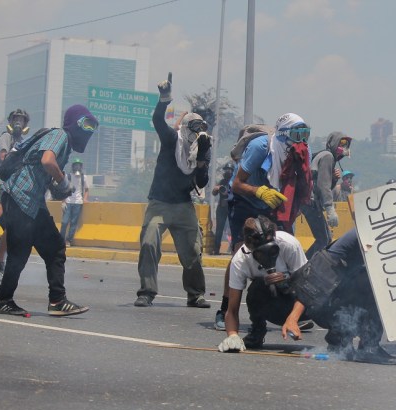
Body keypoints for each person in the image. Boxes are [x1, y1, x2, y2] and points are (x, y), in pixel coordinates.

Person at [0, 104, 97, 316]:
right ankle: (53, 300)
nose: (88, 131)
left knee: (33, 251)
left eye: (92, 127)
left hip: (29, 202)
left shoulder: (64, 147)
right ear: (74, 123)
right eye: (86, 124)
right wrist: (63, 181)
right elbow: (47, 160)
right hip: (21, 199)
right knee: (44, 249)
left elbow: (42, 170)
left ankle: (9, 300)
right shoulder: (61, 135)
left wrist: (59, 188)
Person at [214, 113, 313, 330]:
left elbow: (300, 186)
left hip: (275, 203)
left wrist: (292, 210)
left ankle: (291, 312)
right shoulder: (261, 147)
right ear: (284, 134)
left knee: (283, 252)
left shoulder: (305, 152)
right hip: (245, 199)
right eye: (297, 134)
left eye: (305, 135)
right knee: (242, 251)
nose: (301, 141)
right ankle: (224, 309)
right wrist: (259, 192)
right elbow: (237, 184)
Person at [133, 73, 212, 309]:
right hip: (159, 203)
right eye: (194, 127)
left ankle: (195, 294)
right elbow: (158, 121)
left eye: (201, 128)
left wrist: (200, 161)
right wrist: (164, 99)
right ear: (186, 127)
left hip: (183, 205)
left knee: (193, 251)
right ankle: (147, 291)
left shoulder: (203, 147)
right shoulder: (171, 140)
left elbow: (202, 182)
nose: (196, 132)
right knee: (149, 243)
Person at [281, 227, 396, 365]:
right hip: (323, 305)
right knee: (375, 290)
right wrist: (293, 319)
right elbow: (311, 287)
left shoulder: (376, 236)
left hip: (337, 296)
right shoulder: (332, 258)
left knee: (372, 285)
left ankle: (349, 344)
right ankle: (358, 346)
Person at [217, 215, 310, 350]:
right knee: (257, 288)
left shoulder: (288, 244)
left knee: (328, 289)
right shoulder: (240, 261)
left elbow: (308, 287)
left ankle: (339, 334)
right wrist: (232, 335)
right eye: (261, 253)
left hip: (301, 305)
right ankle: (257, 330)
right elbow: (232, 310)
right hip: (272, 309)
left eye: (272, 250)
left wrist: (293, 317)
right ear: (250, 248)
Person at [0, 109, 31, 275]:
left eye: (21, 119)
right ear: (11, 121)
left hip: (13, 187)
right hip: (1, 182)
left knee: (13, 225)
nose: (18, 122)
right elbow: (3, 157)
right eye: (16, 119)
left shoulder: (22, 141)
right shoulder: (6, 137)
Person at [300, 131, 351, 259]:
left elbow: (323, 183)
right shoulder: (328, 156)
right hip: (310, 202)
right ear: (333, 143)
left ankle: (304, 265)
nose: (344, 147)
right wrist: (330, 209)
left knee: (326, 238)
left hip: (309, 202)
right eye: (342, 143)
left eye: (346, 144)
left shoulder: (327, 157)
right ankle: (304, 267)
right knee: (324, 239)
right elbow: (323, 186)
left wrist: (333, 179)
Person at [59, 158, 89, 247]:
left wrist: (85, 199)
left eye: (78, 165)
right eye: (75, 165)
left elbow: (86, 189)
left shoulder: (84, 177)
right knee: (64, 222)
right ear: (73, 166)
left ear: (81, 167)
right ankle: (60, 240)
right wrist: (63, 201)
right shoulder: (68, 176)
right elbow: (63, 189)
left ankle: (69, 240)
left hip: (78, 202)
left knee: (73, 222)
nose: (77, 167)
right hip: (68, 201)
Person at [210, 162, 234, 255]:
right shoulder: (221, 182)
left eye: (230, 170)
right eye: (226, 170)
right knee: (219, 229)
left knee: (232, 229)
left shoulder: (235, 181)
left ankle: (233, 248)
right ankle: (216, 249)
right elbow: (214, 193)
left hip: (232, 208)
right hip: (222, 208)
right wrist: (216, 188)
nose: (228, 172)